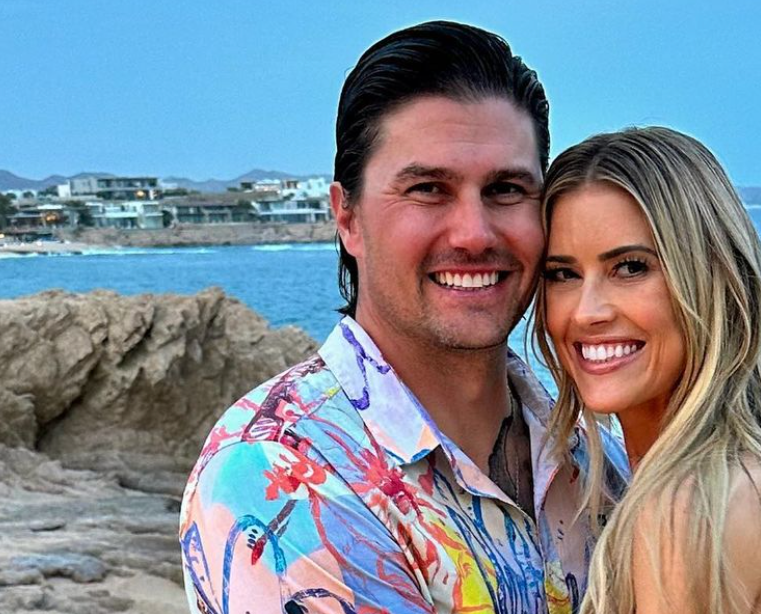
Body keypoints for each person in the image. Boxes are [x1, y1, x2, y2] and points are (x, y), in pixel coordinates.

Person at [179, 21, 626, 614]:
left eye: (506, 190)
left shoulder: (592, 452)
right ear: (348, 218)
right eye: (427, 189)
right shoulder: (281, 475)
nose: (474, 234)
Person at [533, 127, 761, 614]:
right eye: (563, 274)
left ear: (713, 277)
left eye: (631, 267)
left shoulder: (687, 511)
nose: (586, 311)